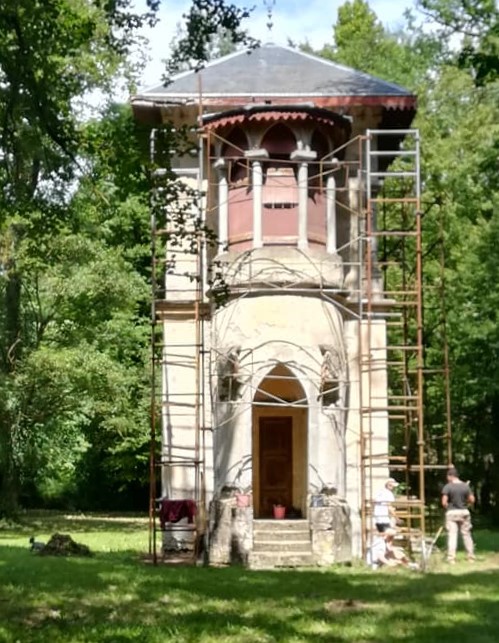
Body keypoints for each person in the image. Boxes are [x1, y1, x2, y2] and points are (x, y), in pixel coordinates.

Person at [441, 467, 475, 563]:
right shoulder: (465, 486)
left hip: (452, 512)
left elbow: (444, 502)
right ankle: (470, 557)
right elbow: (472, 499)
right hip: (464, 512)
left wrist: (448, 507)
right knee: (467, 535)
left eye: (448, 476)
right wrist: (466, 503)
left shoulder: (448, 487)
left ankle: (451, 558)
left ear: (451, 476)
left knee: (452, 535)